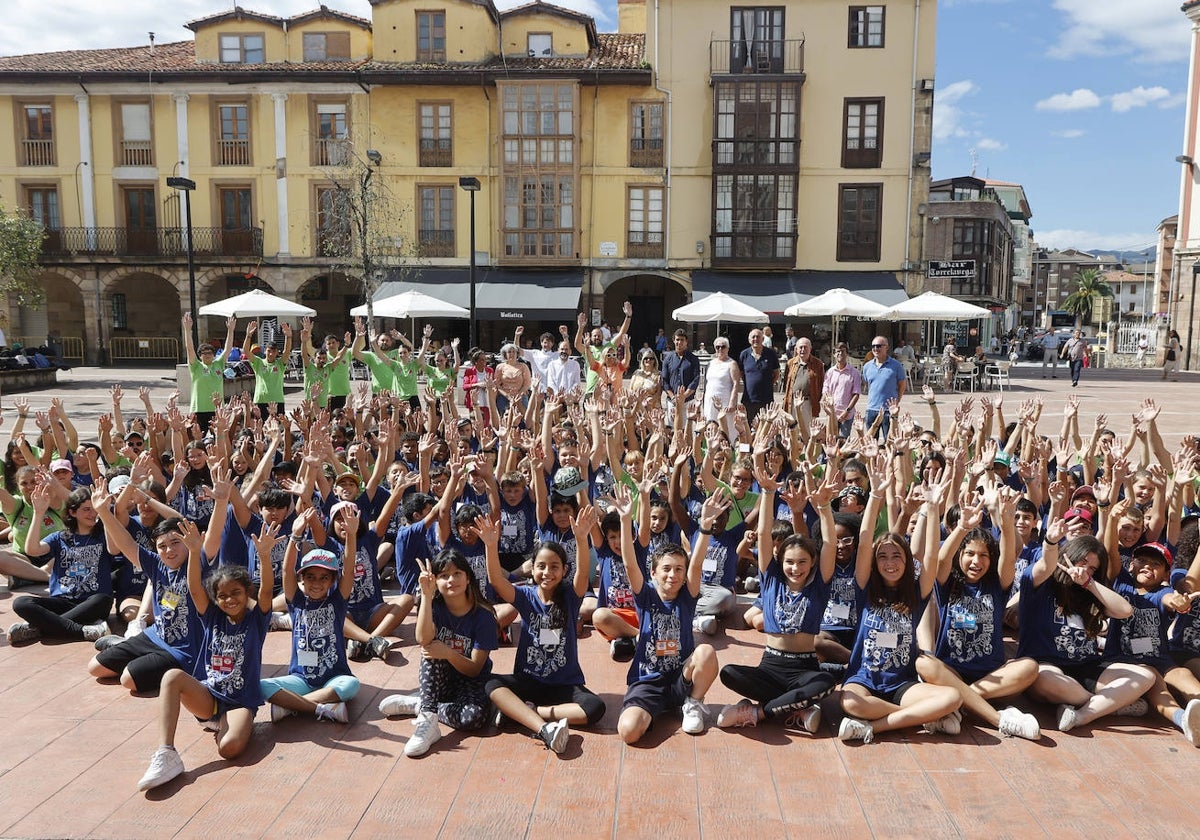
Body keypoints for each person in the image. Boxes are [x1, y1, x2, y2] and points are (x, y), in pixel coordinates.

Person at [136, 522, 275, 791]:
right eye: (222, 596)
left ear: (247, 593)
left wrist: (265, 557)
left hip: (239, 702)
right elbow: (195, 588)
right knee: (171, 676)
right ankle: (167, 753)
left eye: (236, 593)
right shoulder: (210, 617)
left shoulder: (256, 620)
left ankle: (226, 722)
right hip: (209, 696)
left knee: (230, 749)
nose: (229, 600)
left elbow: (267, 591)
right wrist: (194, 551)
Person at [837, 460, 963, 744]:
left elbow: (931, 557)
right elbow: (866, 536)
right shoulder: (864, 587)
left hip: (901, 684)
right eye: (883, 556)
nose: (889, 563)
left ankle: (876, 727)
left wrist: (932, 508)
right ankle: (921, 716)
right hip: (863, 679)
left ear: (907, 562)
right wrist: (876, 495)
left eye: (897, 556)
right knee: (850, 703)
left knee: (952, 696)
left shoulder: (916, 594)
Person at [714, 468, 840, 732]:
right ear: (779, 562)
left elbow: (829, 544)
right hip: (770, 666)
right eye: (790, 562)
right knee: (728, 672)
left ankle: (756, 712)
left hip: (804, 667)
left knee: (825, 682)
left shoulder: (818, 586)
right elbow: (763, 534)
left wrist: (825, 506)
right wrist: (768, 493)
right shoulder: (771, 579)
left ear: (812, 563)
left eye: (802, 562)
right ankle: (799, 708)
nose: (796, 568)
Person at [915, 489, 1042, 739]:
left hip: (990, 678)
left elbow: (1008, 557)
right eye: (969, 554)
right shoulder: (947, 583)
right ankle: (998, 718)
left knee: (1029, 667)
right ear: (959, 556)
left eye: (983, 555)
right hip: (950, 671)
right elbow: (940, 561)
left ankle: (957, 703)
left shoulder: (997, 585)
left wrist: (1006, 520)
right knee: (924, 662)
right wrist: (961, 528)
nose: (976, 561)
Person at [480, 511, 605, 752]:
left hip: (563, 684)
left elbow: (582, 575)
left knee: (595, 707)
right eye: (541, 566)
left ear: (564, 570)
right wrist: (491, 545)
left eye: (554, 567)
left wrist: (581, 539)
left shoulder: (570, 596)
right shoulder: (525, 597)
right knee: (489, 684)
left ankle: (528, 714)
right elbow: (497, 580)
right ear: (532, 570)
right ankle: (542, 726)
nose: (547, 572)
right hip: (529, 680)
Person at [1017, 519, 1156, 733]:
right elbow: (1046, 564)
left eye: (1092, 568)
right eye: (1082, 561)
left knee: (1146, 676)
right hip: (1046, 664)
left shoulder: (1089, 590)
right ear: (1069, 555)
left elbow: (1125, 611)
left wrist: (1089, 583)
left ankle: (1082, 715)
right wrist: (1051, 542)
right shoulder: (1041, 583)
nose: (1085, 570)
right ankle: (1109, 705)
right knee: (1044, 678)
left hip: (1086, 666)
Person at [615, 492, 727, 745]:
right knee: (629, 732)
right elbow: (630, 564)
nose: (672, 575)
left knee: (706, 652)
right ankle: (655, 710)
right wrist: (625, 521)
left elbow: (696, 565)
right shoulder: (645, 596)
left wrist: (705, 527)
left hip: (681, 677)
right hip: (648, 680)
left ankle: (693, 702)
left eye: (678, 569)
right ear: (653, 573)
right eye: (666, 569)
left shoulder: (687, 596)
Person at [377, 550, 498, 758]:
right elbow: (422, 639)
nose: (451, 580)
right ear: (437, 582)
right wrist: (426, 595)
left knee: (474, 718)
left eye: (457, 573)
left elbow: (475, 668)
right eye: (443, 576)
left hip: (471, 681)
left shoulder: (483, 616)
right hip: (438, 678)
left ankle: (422, 704)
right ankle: (428, 720)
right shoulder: (437, 607)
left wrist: (449, 653)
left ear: (468, 578)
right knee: (430, 650)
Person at [260, 509, 360, 725]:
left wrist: (351, 535)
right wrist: (295, 537)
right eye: (311, 577)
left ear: (333, 580)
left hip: (333, 677)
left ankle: (292, 706)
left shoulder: (337, 601)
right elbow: (287, 571)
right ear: (302, 578)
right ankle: (322, 708)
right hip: (300, 679)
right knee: (262, 686)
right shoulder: (296, 601)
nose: (317, 583)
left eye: (324, 577)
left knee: (351, 685)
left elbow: (349, 570)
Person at [9, 483, 115, 644]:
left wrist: (105, 512)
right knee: (21, 603)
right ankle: (84, 631)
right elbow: (32, 549)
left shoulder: (103, 534)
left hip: (91, 602)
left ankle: (37, 628)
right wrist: (38, 513)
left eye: (94, 508)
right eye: (86, 509)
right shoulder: (60, 537)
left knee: (103, 599)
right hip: (62, 600)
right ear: (72, 512)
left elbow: (113, 550)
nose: (92, 513)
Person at [182, 312, 236, 432]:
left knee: (217, 439)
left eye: (210, 353)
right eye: (204, 353)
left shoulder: (218, 364)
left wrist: (230, 330)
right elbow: (189, 349)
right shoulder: (196, 366)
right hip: (199, 409)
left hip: (216, 409)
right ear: (200, 356)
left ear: (213, 354)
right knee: (198, 439)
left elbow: (228, 349)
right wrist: (187, 330)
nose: (207, 355)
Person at [241, 319, 293, 416]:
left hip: (277, 401)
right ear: (265, 351)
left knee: (278, 429)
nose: (271, 354)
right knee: (259, 429)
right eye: (269, 351)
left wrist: (288, 336)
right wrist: (248, 336)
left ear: (277, 352)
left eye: (273, 351)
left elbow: (287, 351)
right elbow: (246, 351)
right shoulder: (258, 363)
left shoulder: (280, 364)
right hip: (260, 401)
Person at [860, 336, 906, 441]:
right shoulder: (867, 366)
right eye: (873, 346)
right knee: (871, 442)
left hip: (888, 410)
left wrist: (897, 401)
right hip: (871, 410)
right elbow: (867, 384)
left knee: (890, 441)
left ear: (886, 347)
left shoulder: (896, 365)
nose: (876, 349)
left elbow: (902, 385)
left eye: (879, 346)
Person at [738, 328, 780, 427]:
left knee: (765, 428)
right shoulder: (744, 354)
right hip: (749, 400)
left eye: (758, 337)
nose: (756, 339)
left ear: (763, 339)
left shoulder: (771, 354)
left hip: (766, 400)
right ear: (749, 340)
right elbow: (741, 373)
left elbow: (776, 373)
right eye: (753, 337)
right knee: (748, 428)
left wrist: (767, 383)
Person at [701, 338, 742, 440]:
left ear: (727, 348)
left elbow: (736, 384)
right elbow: (706, 384)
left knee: (726, 428)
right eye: (717, 347)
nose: (720, 349)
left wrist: (732, 403)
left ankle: (729, 451)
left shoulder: (732, 363)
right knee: (710, 426)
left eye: (723, 347)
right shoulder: (711, 363)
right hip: (710, 402)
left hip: (725, 402)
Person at [781, 337, 824, 429]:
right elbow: (786, 384)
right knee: (792, 431)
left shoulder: (818, 364)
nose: (803, 350)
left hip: (808, 404)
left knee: (808, 432)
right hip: (792, 403)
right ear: (796, 349)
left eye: (805, 347)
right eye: (800, 347)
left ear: (810, 349)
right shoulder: (790, 363)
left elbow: (821, 384)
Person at [821, 343, 861, 439]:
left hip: (846, 415)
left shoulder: (854, 373)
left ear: (847, 354)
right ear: (834, 354)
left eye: (843, 351)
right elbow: (825, 391)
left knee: (843, 443)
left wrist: (847, 411)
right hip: (832, 414)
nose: (840, 354)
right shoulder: (830, 372)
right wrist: (825, 405)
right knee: (831, 440)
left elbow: (856, 394)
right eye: (838, 351)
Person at [661, 328, 700, 415]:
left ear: (686, 341)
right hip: (672, 402)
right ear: (674, 341)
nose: (679, 342)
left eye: (682, 340)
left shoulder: (693, 359)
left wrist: (684, 396)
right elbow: (664, 380)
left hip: (688, 401)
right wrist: (673, 397)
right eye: (677, 339)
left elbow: (696, 380)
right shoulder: (668, 359)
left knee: (687, 427)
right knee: (671, 427)